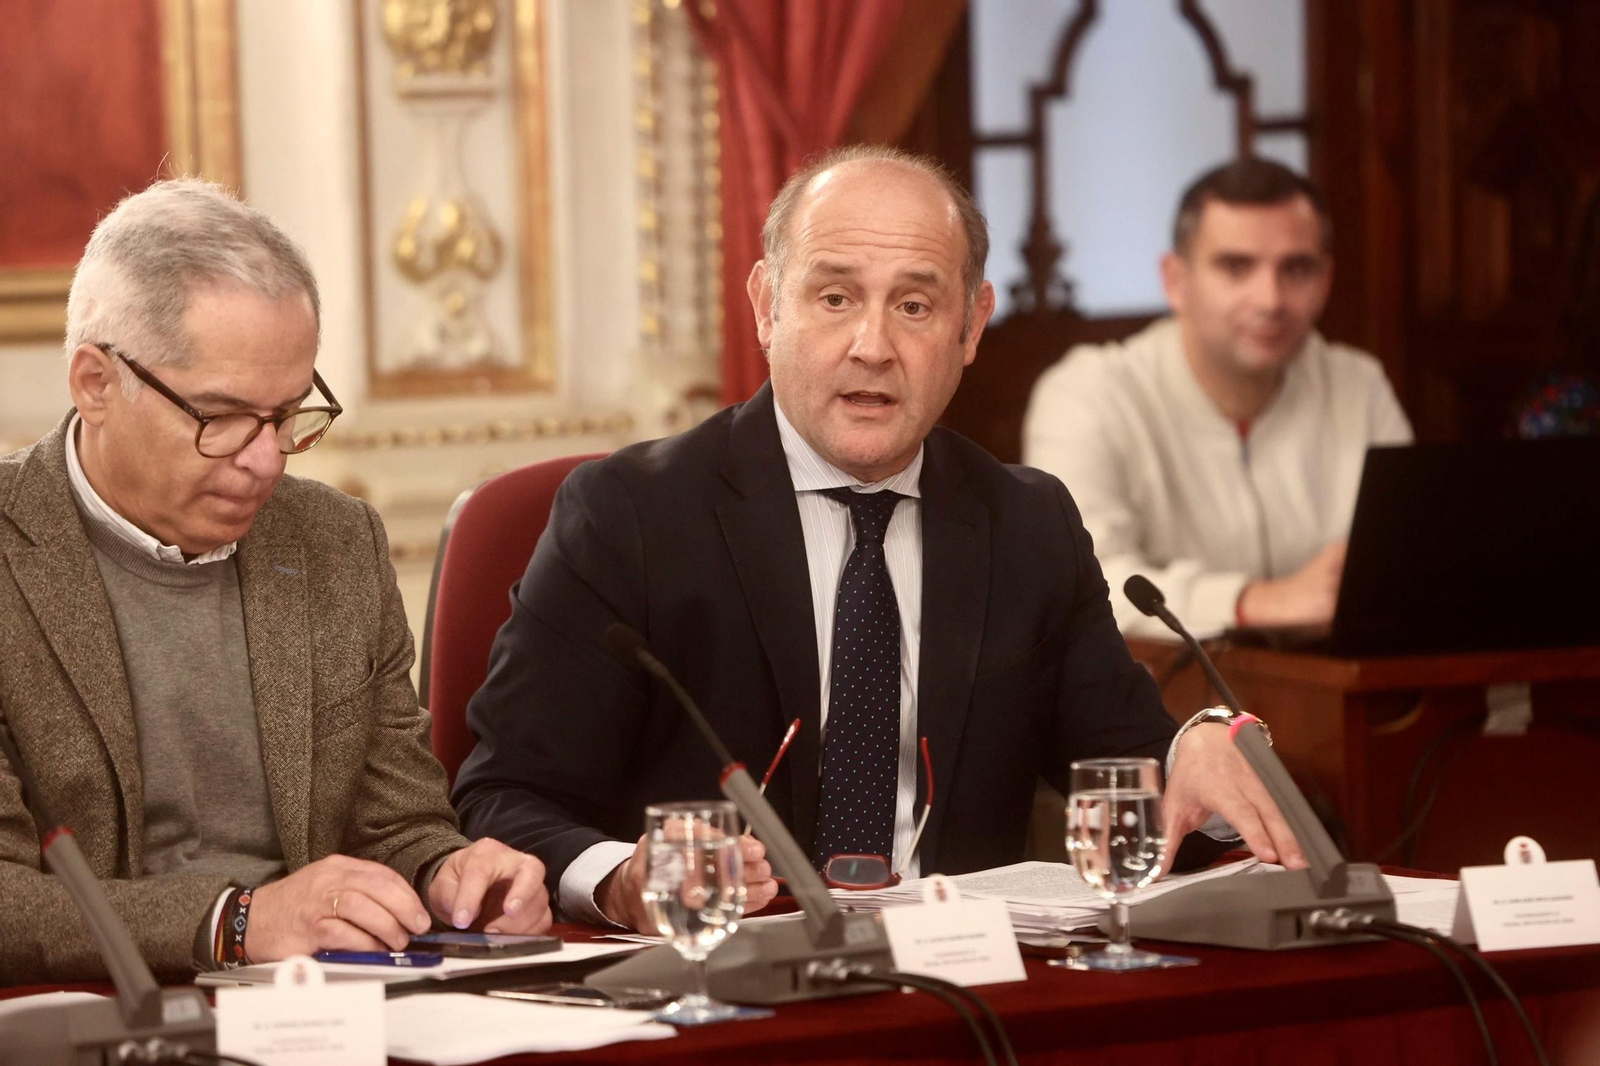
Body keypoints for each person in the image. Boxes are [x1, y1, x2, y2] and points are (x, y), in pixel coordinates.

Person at [453, 146, 1305, 934]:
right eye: (834, 298)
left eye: (915, 305)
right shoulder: (632, 515)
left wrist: (1201, 756)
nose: (873, 346)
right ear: (764, 306)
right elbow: (503, 795)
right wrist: (619, 880)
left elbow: (1134, 781)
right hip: (718, 995)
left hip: (964, 997)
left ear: (972, 326)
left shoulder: (1026, 525)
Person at [0, 179, 551, 985]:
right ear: (94, 383)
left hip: (329, 1005)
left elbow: (397, 821)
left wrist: (454, 878)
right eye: (219, 417)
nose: (265, 460)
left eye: (289, 413)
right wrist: (235, 921)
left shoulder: (335, 540)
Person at [1024, 158, 1412, 640]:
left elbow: (1411, 571)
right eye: (1236, 266)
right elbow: (1079, 586)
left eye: (1297, 268)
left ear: (1327, 279)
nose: (1270, 299)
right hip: (1157, 704)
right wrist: (1253, 601)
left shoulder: (1359, 385)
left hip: (1335, 695)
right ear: (1175, 281)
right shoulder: (1088, 394)